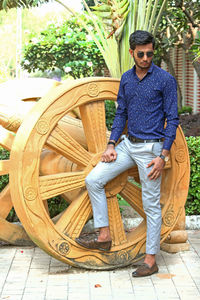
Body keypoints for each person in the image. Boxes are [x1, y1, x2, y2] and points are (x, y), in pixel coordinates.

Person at [76, 30, 179, 277]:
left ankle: (151, 260)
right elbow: (121, 112)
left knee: (151, 206)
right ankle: (104, 235)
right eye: (141, 54)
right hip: (126, 145)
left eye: (150, 53)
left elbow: (173, 119)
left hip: (151, 150)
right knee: (93, 179)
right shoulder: (127, 79)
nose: (146, 58)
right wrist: (111, 144)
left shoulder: (164, 80)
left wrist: (162, 156)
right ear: (132, 53)